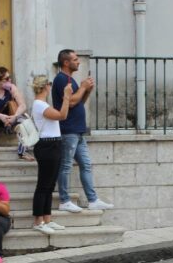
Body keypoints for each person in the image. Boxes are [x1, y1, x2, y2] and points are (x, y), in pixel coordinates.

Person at [53, 49, 114, 213]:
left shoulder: (70, 79)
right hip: (68, 130)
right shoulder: (60, 79)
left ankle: (93, 200)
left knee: (86, 164)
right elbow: (71, 102)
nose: (78, 61)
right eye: (75, 59)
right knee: (66, 166)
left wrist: (86, 90)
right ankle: (64, 200)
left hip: (78, 131)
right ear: (66, 62)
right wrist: (82, 87)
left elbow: (79, 101)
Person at [31, 75, 70, 234]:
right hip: (47, 145)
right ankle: (38, 221)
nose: (51, 86)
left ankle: (47, 219)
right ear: (45, 86)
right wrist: (67, 97)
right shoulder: (39, 104)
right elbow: (62, 115)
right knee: (43, 185)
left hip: (54, 144)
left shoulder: (43, 104)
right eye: (49, 84)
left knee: (50, 184)